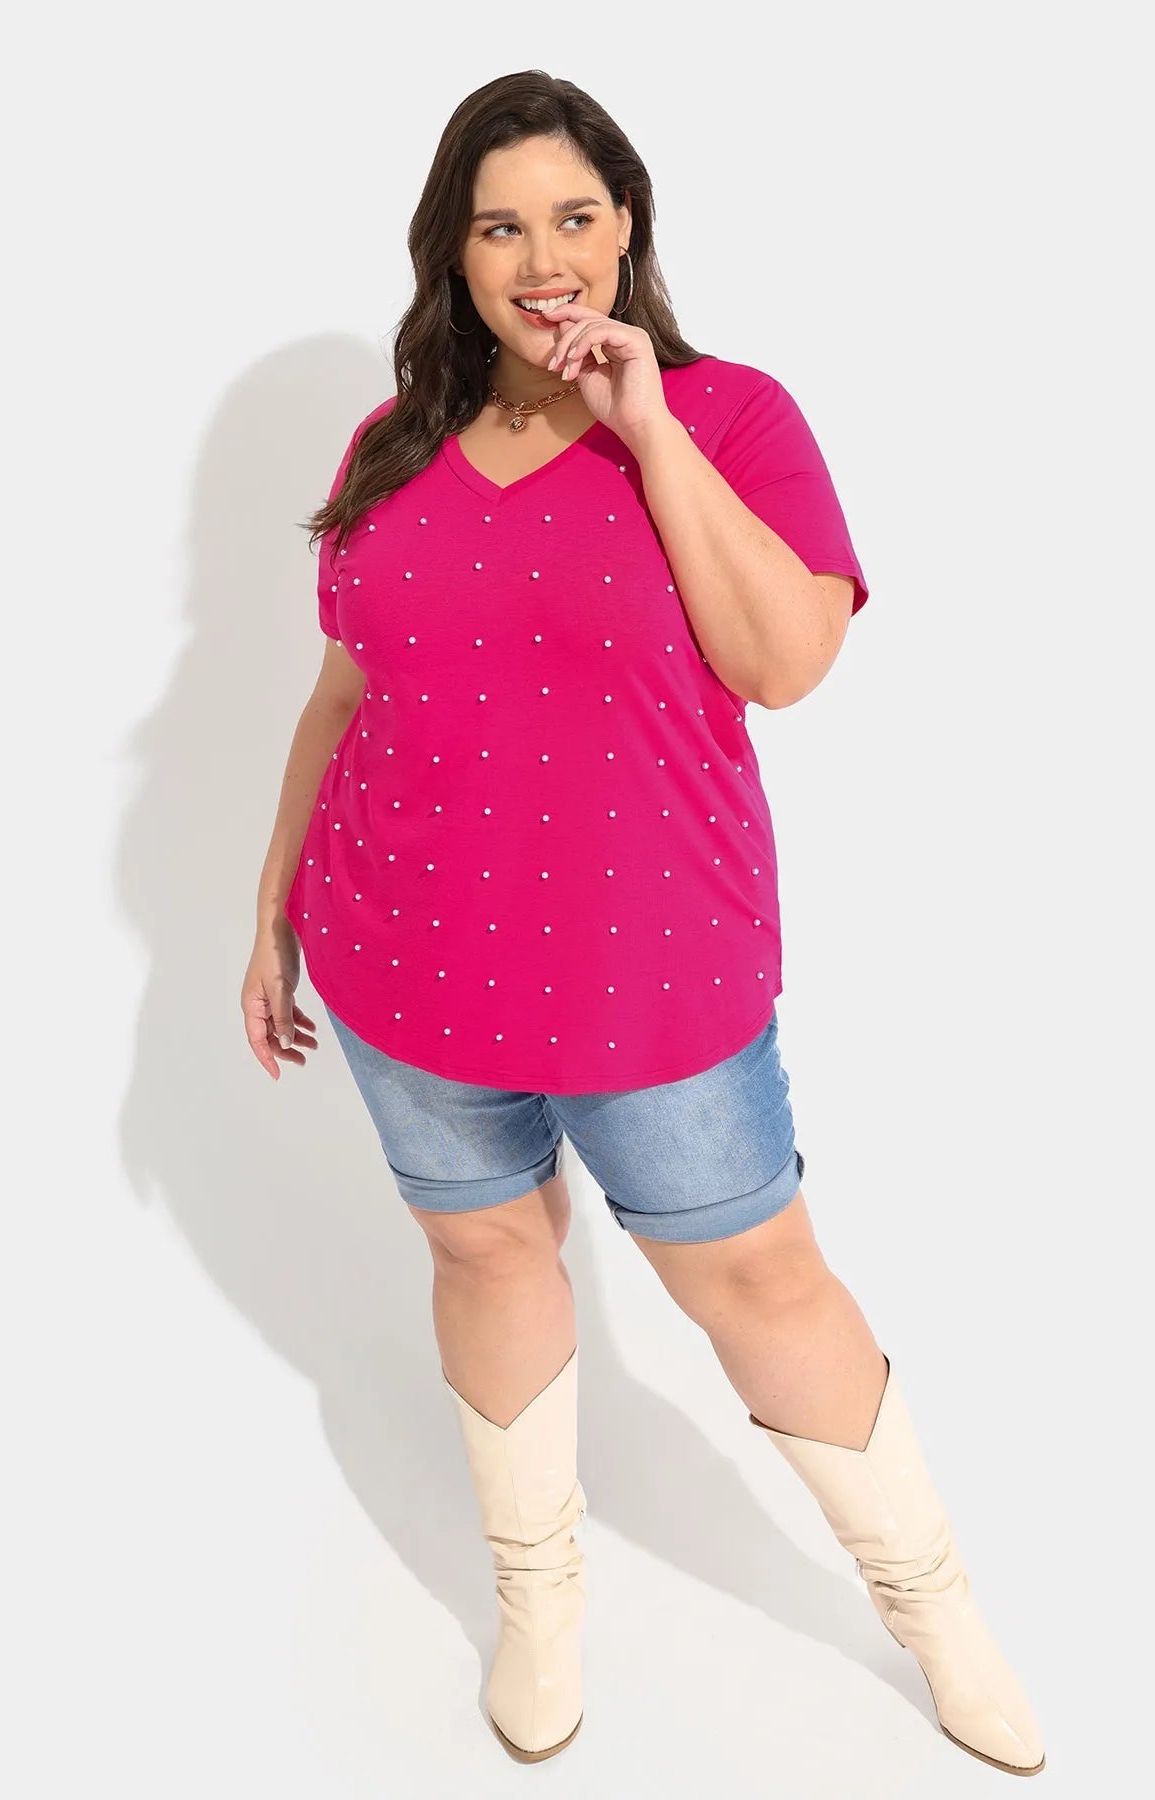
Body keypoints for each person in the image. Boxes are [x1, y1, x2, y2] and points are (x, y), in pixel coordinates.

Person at [241, 71, 1045, 1780]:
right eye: (501, 226)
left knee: (760, 1282)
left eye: (575, 217)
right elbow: (344, 691)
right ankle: (539, 1604)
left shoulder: (731, 415)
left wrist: (644, 426)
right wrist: (271, 910)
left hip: (652, 983)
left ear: (628, 229)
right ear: (453, 253)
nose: (544, 259)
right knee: (485, 1253)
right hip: (403, 961)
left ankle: (936, 1611)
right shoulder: (390, 445)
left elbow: (787, 662)